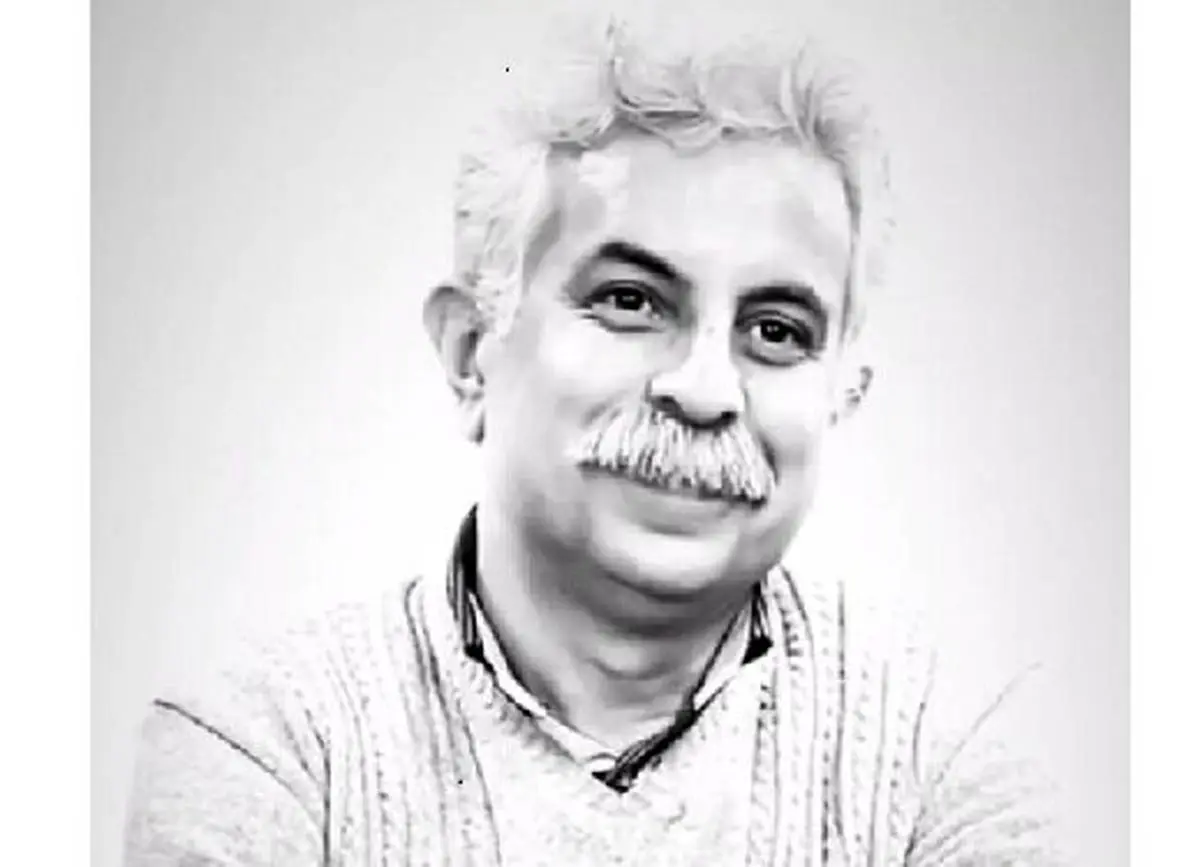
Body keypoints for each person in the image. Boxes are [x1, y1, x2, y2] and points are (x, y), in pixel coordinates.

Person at [124, 6, 1065, 865]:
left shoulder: (941, 747)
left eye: (776, 330)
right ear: (470, 351)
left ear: (839, 395)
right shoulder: (269, 750)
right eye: (630, 299)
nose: (706, 389)